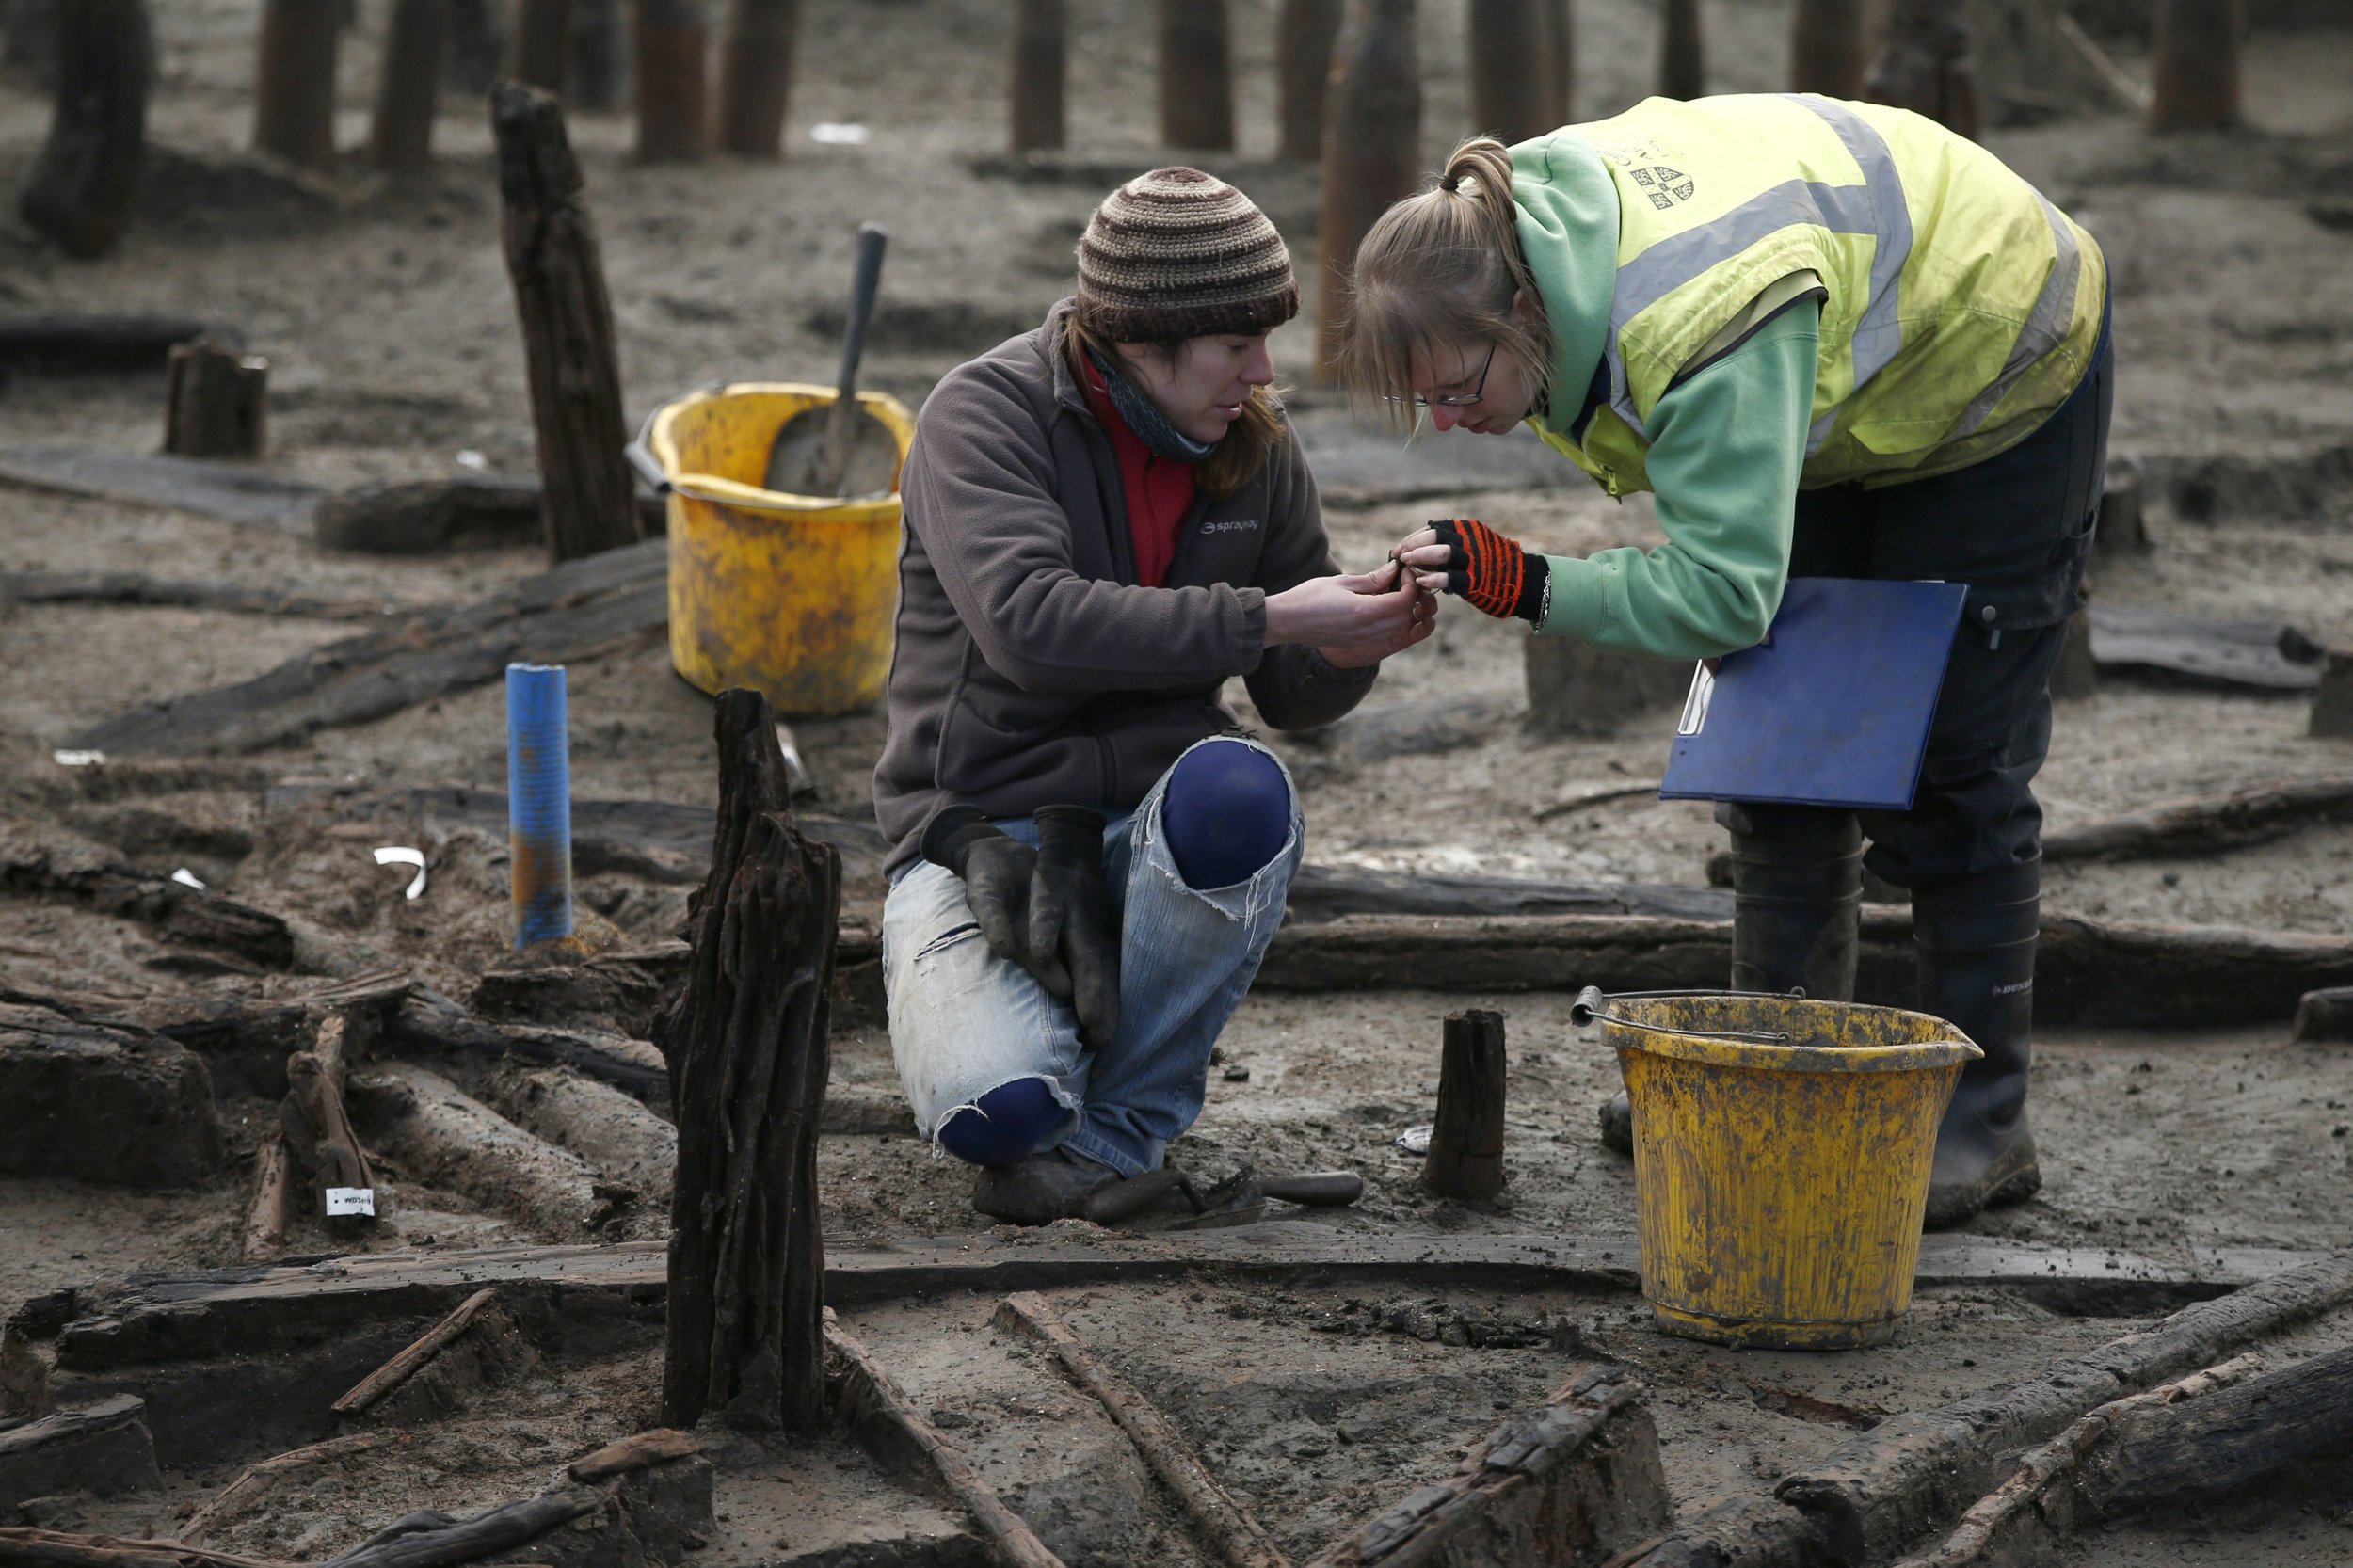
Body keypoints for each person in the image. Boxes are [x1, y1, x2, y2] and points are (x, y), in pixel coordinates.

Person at [1340, 94, 2111, 1227]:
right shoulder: (1516, 233)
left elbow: (1724, 595)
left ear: (1520, 310)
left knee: (1958, 770)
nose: (1451, 422)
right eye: (1428, 404)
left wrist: (1530, 582)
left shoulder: (1692, 327)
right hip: (1838, 376)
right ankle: (1771, 1075)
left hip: (1999, 350)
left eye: (1460, 390)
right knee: (1779, 739)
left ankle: (1983, 1122)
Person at [874, 167, 1433, 1225]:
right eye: (1237, 346)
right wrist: (1277, 614)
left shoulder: (1254, 439)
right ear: (1144, 339)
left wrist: (1365, 631)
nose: (1264, 371)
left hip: (1152, 828)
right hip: (978, 832)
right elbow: (1032, 628)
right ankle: (1042, 1096)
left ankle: (1120, 1131)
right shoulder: (982, 414)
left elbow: (1290, 697)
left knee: (1240, 790)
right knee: (991, 1111)